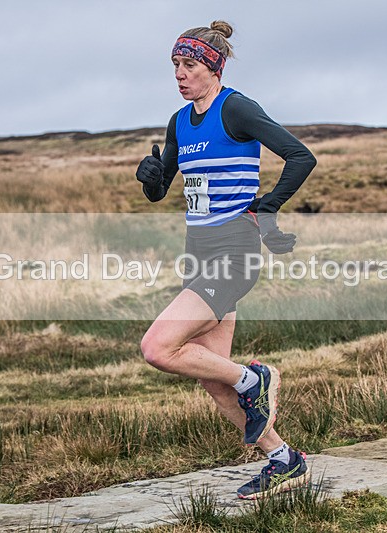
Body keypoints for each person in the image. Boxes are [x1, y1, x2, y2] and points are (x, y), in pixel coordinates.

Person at [136, 20, 316, 500]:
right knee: (212, 379)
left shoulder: (235, 108)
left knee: (157, 348)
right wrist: (150, 178)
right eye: (175, 65)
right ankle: (284, 460)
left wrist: (267, 207)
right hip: (198, 253)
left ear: (213, 68)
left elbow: (300, 157)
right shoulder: (179, 121)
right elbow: (161, 190)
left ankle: (254, 377)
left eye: (189, 65)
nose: (180, 74)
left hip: (234, 253)